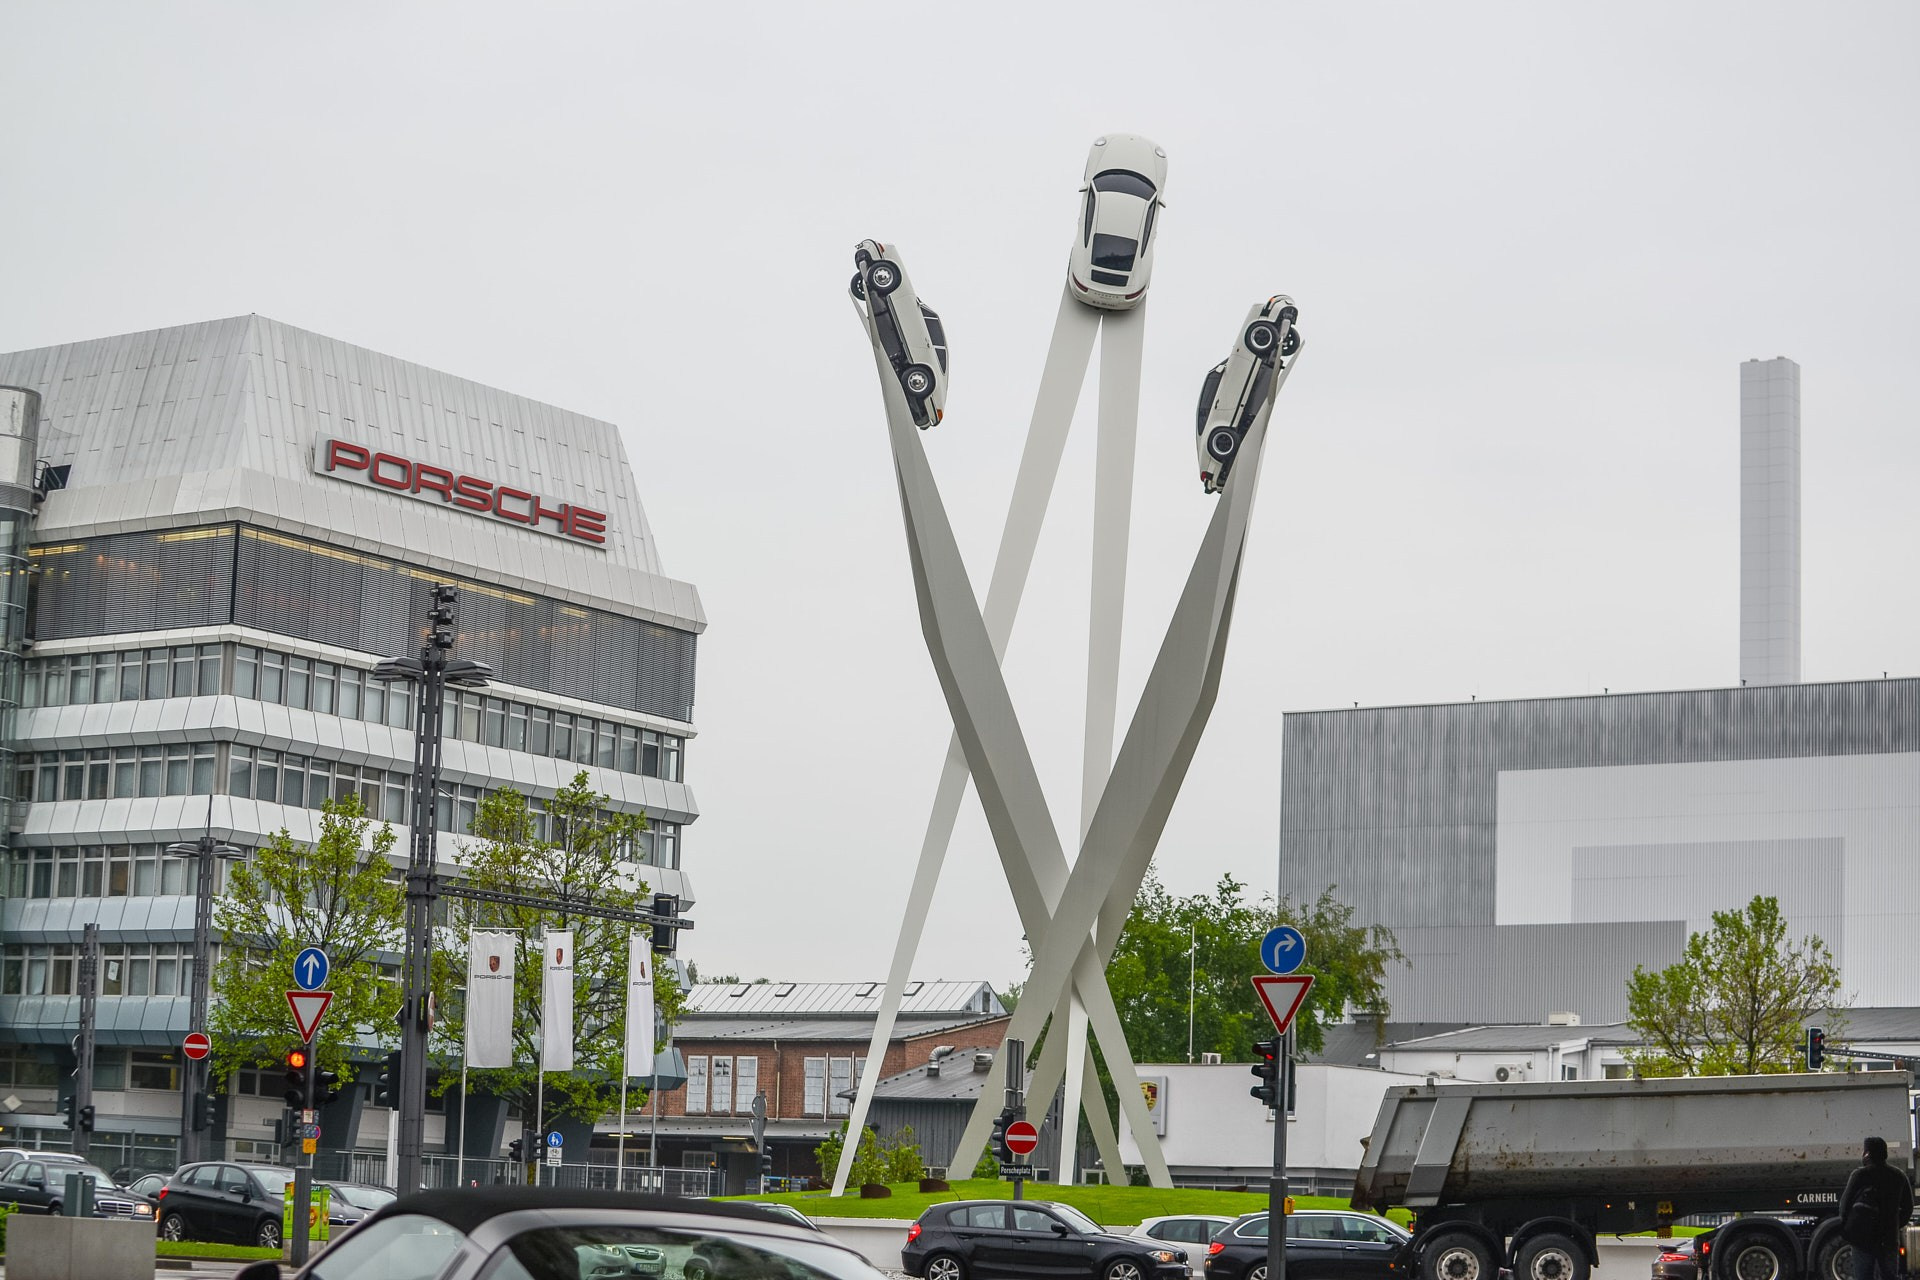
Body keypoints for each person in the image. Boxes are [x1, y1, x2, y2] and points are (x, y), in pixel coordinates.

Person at [1840, 1135, 1913, 1280]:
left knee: (1863, 1276)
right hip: (1888, 1238)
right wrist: (1895, 1224)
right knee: (1889, 1276)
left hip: (1862, 1238)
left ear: (1867, 1153)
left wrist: (1850, 1228)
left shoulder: (1859, 1175)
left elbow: (1844, 1206)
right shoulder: (1898, 1176)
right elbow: (1908, 1208)